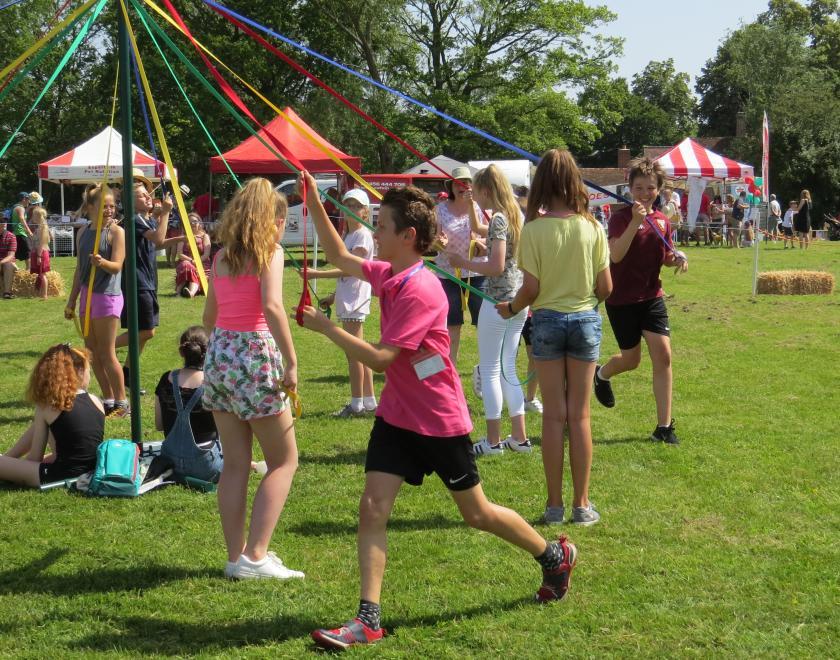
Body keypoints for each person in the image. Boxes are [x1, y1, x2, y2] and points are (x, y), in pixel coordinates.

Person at [297, 171, 578, 650]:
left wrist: (327, 328)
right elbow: (342, 255)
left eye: (382, 227)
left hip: (439, 421)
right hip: (396, 416)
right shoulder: (389, 272)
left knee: (478, 514)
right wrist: (312, 198)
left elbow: (384, 359)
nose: (375, 235)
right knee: (372, 509)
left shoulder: (421, 290)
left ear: (407, 237)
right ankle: (368, 619)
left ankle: (553, 555)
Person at [498, 149, 612, 526]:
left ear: (542, 183)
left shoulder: (533, 230)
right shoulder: (593, 227)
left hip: (546, 322)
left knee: (552, 418)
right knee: (579, 416)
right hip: (583, 321)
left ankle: (554, 505)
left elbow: (529, 289)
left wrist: (511, 309)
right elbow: (606, 288)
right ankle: (582, 505)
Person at [202, 177, 303, 581]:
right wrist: (292, 361)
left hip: (221, 353)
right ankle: (256, 556)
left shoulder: (222, 257)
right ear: (272, 220)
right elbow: (273, 306)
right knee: (284, 460)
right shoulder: (271, 254)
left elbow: (209, 318)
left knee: (235, 465)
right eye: (282, 219)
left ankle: (236, 557)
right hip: (255, 354)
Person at [593, 157, 688, 445]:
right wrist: (636, 221)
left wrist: (678, 259)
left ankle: (664, 426)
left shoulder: (661, 220)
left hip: (651, 297)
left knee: (663, 356)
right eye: (638, 188)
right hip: (621, 299)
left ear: (659, 189)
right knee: (631, 360)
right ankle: (602, 374)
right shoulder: (621, 217)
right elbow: (616, 255)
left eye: (650, 188)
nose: (645, 193)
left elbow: (665, 257)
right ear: (629, 189)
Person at [446, 164, 530, 456]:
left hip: (497, 301)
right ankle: (519, 438)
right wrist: (471, 208)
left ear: (486, 190)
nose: (476, 200)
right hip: (518, 301)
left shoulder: (498, 219)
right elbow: (483, 233)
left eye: (477, 195)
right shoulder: (515, 215)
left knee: (492, 369)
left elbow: (495, 265)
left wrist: (463, 261)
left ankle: (493, 442)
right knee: (508, 368)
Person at [306, 188, 377, 418]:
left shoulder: (363, 236)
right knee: (360, 350)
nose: (351, 210)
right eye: (348, 205)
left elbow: (350, 267)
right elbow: (346, 273)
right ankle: (368, 401)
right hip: (348, 296)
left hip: (355, 299)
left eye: (356, 206)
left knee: (353, 352)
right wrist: (333, 296)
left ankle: (356, 404)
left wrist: (315, 274)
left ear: (365, 212)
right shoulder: (348, 235)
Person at [0, 344, 104, 487]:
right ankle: (8, 458)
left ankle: (7, 460)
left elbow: (34, 458)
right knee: (41, 427)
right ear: (78, 372)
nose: (89, 376)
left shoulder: (48, 406)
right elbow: (77, 448)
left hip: (61, 476)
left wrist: (16, 468)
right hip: (90, 470)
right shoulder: (97, 401)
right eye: (89, 371)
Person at [115, 172, 183, 389]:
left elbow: (157, 244)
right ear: (130, 201)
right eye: (143, 196)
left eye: (147, 195)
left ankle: (127, 372)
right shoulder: (134, 219)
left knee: (143, 332)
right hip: (138, 281)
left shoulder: (142, 219)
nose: (148, 198)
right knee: (146, 331)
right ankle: (100, 349)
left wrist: (182, 238)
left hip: (146, 279)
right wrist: (165, 213)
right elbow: (159, 237)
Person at [65, 185, 128, 417]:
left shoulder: (116, 232)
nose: (110, 211)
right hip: (87, 297)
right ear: (90, 207)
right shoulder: (83, 232)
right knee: (91, 352)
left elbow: (117, 266)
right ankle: (109, 398)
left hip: (107, 297)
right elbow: (79, 270)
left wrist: (102, 263)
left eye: (112, 206)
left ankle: (122, 402)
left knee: (107, 352)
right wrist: (72, 301)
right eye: (104, 206)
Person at [154, 326, 222, 483]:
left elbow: (159, 425)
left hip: (170, 463)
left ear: (181, 352)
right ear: (211, 350)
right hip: (207, 466)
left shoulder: (166, 379)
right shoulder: (214, 381)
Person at [433, 166, 487, 363]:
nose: (462, 187)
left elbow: (489, 239)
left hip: (477, 272)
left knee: (484, 323)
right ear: (451, 186)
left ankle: (485, 369)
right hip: (448, 273)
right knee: (451, 324)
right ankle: (450, 369)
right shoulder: (440, 209)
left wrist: (481, 243)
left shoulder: (479, 209)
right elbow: (434, 240)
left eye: (466, 182)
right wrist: (440, 242)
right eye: (458, 183)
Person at [174, 212, 211, 298]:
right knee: (186, 265)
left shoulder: (204, 236)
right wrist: (191, 261)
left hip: (203, 264)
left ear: (199, 223)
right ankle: (178, 293)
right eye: (190, 222)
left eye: (195, 221)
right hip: (187, 263)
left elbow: (206, 254)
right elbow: (179, 254)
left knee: (202, 276)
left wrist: (197, 262)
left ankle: (190, 293)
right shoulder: (182, 237)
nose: (193, 224)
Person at [29, 209, 51, 299]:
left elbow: (42, 243)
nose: (32, 217)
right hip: (39, 251)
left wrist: (38, 256)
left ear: (37, 216)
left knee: (43, 274)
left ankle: (44, 295)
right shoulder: (41, 226)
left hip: (41, 253)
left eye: (34, 215)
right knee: (40, 274)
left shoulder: (43, 228)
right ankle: (41, 293)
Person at [9, 192, 33, 262]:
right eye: (28, 199)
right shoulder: (20, 208)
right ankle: (28, 271)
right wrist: (29, 231)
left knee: (14, 254)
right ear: (23, 199)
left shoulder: (15, 206)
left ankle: (15, 270)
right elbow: (22, 219)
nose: (29, 201)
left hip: (15, 233)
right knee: (27, 252)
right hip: (20, 233)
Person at [1, 214, 18, 300]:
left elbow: (11, 256)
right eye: (1, 222)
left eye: (5, 221)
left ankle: (7, 292)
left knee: (8, 265)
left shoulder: (11, 236)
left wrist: (0, 263)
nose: (4, 223)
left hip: (6, 262)